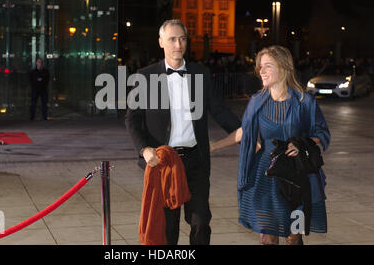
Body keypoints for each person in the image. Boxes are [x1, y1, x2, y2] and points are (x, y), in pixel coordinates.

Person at [125, 19, 241, 245]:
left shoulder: (201, 73)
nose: (178, 44)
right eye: (172, 39)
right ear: (161, 42)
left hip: (196, 160)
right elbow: (132, 119)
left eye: (182, 39)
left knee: (200, 222)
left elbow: (219, 110)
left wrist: (242, 130)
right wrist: (144, 149)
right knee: (168, 227)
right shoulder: (146, 76)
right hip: (164, 162)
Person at [210, 45, 330, 245]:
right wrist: (214, 146)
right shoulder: (257, 101)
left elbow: (321, 133)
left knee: (294, 237)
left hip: (297, 177)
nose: (261, 71)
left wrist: (301, 144)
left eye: (267, 66)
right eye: (260, 67)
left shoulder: (304, 101)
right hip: (265, 176)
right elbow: (244, 132)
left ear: (283, 68)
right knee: (267, 237)